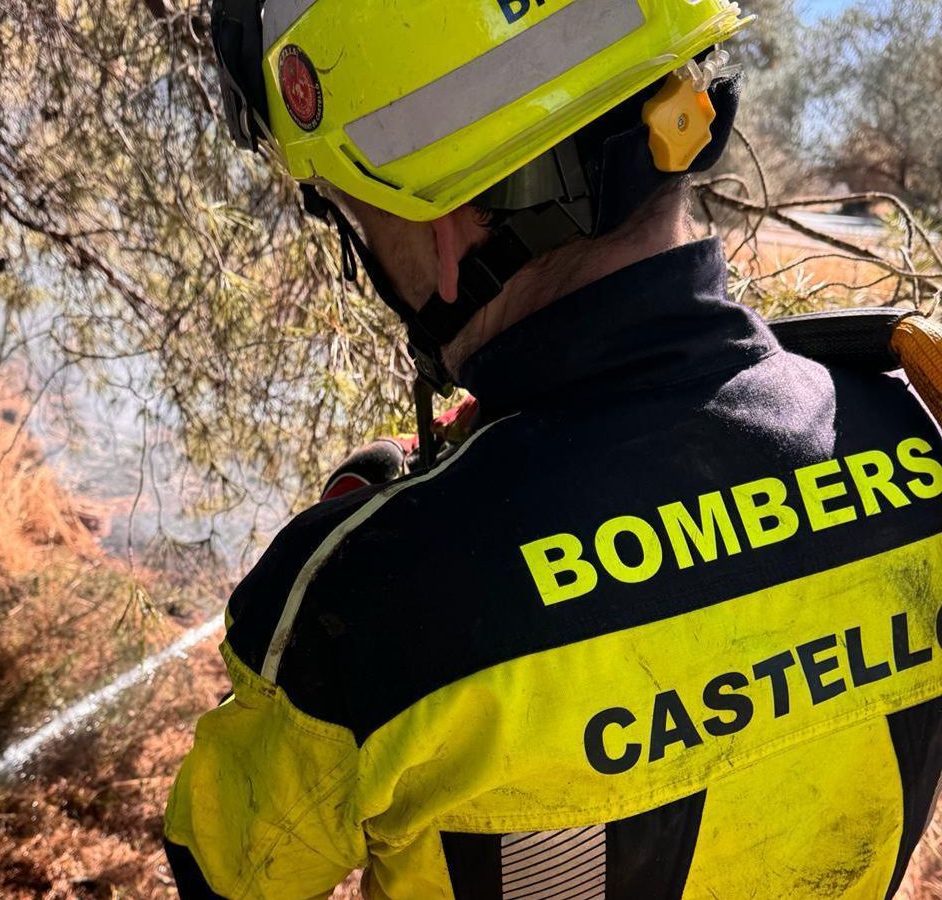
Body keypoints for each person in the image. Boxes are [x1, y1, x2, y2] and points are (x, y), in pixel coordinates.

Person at [164, 1, 942, 896]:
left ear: (445, 230)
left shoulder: (364, 595)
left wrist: (368, 551)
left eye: (362, 223)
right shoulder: (910, 426)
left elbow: (225, 872)